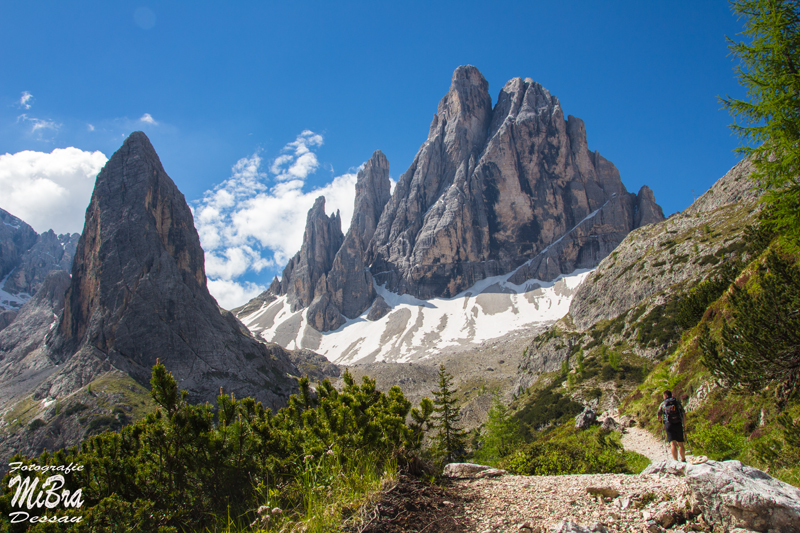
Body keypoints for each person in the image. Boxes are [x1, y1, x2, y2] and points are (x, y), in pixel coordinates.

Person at [657, 390, 686, 462]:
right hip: (678, 423)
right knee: (680, 443)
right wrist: (684, 424)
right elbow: (683, 414)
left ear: (665, 396)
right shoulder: (677, 402)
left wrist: (661, 421)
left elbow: (658, 415)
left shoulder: (663, 404)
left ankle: (675, 460)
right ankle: (683, 459)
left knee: (673, 443)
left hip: (668, 424)